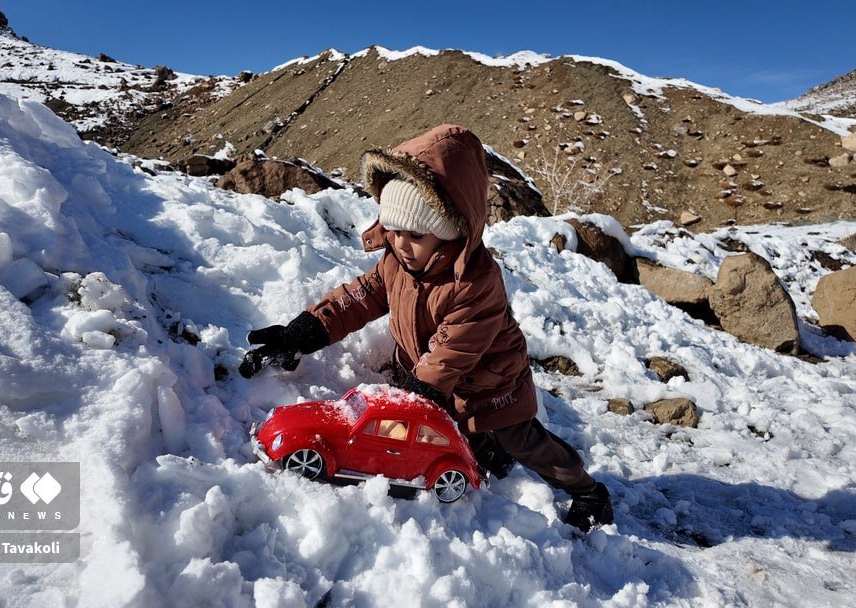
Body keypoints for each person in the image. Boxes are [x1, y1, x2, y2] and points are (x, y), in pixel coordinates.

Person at [239, 124, 614, 531]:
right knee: (458, 428)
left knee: (523, 442)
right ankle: (486, 450)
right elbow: (359, 298)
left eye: (415, 235)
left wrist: (414, 396)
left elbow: (450, 352)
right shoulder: (397, 262)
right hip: (432, 376)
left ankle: (586, 490)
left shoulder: (476, 283)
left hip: (490, 387)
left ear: (450, 230)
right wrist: (306, 331)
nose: (400, 243)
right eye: (394, 230)